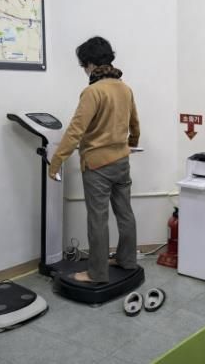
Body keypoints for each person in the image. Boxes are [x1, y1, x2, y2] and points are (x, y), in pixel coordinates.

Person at [49, 36, 140, 283]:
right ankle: (127, 259)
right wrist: (131, 144)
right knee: (125, 213)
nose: (84, 70)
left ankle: (97, 273)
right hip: (122, 162)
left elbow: (75, 131)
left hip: (97, 166)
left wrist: (56, 161)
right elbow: (134, 124)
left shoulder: (93, 91)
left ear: (89, 63)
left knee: (98, 220)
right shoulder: (125, 88)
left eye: (83, 65)